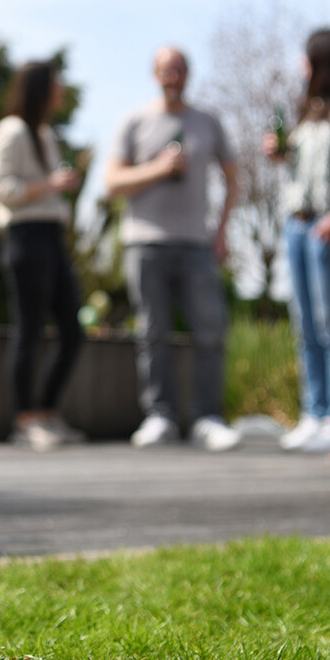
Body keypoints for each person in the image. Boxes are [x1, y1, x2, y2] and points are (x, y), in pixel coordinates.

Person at [105, 46, 240, 451]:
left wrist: (222, 230)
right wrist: (159, 168)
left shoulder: (207, 122)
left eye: (180, 69)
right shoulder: (135, 120)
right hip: (145, 242)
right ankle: (159, 416)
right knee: (153, 333)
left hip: (197, 243)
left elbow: (233, 176)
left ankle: (207, 417)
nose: (173, 76)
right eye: (167, 69)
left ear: (188, 74)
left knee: (210, 330)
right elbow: (112, 184)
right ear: (155, 74)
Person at [264, 29, 330, 454]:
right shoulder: (312, 110)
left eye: (305, 57)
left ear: (324, 59)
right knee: (304, 324)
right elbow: (309, 169)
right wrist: (283, 153)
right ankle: (315, 412)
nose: (300, 66)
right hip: (299, 224)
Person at [0, 60, 85, 451]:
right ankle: (24, 420)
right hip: (25, 237)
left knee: (73, 330)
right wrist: (50, 185)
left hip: (52, 238)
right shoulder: (10, 131)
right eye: (57, 84)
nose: (61, 91)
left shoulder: (45, 133)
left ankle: (47, 413)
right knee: (29, 329)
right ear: (41, 87)